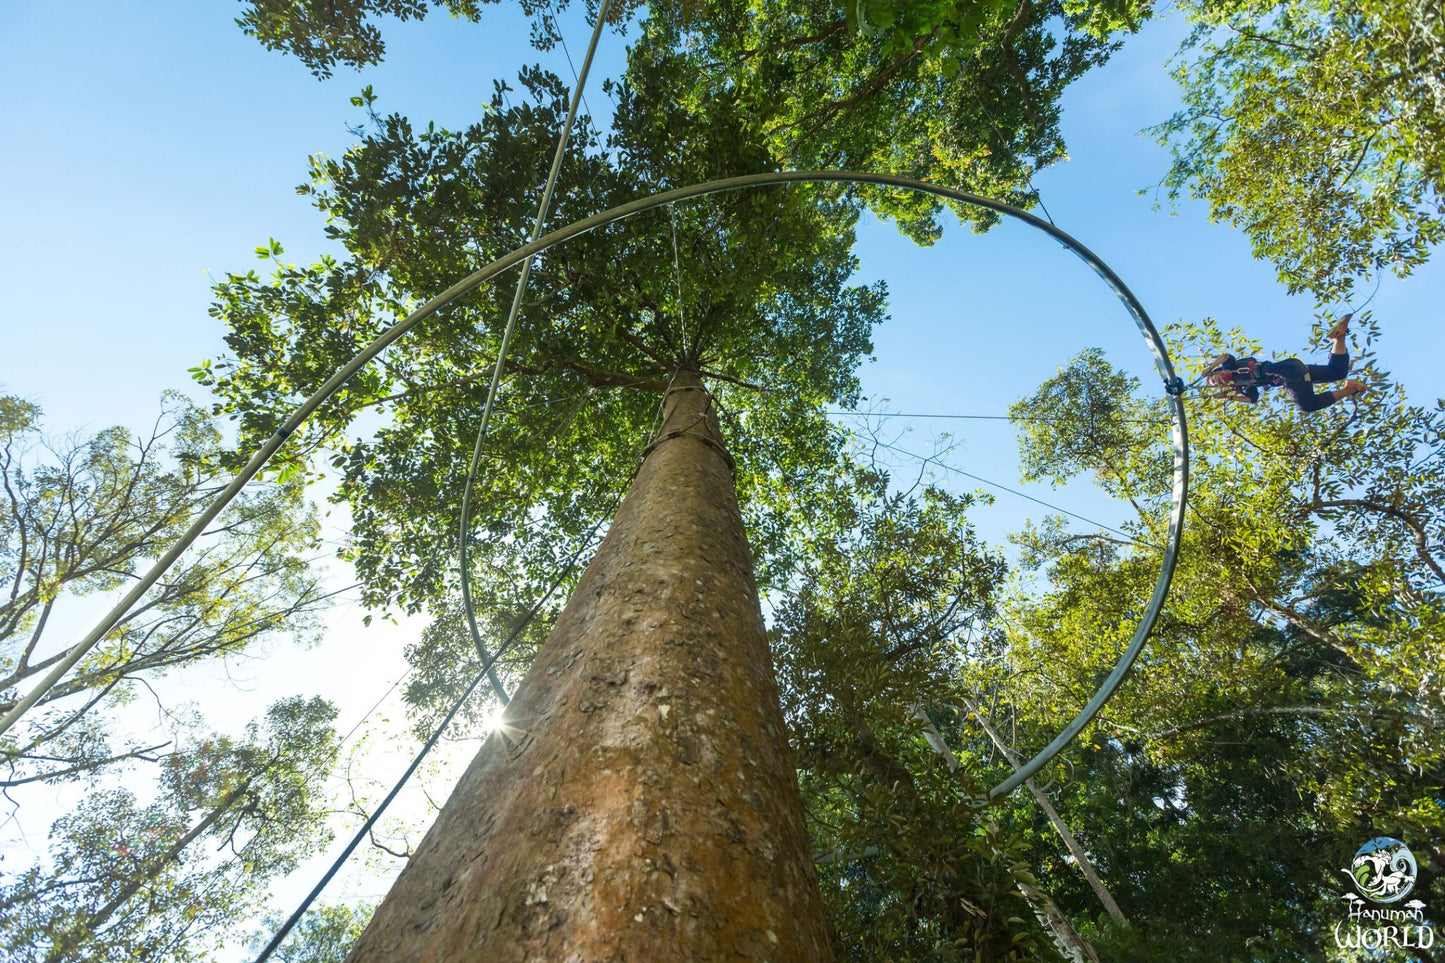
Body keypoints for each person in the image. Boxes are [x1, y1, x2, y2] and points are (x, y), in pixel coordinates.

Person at [1203, 314, 1366, 413]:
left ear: (1217, 371)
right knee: (1337, 372)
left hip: (1287, 372)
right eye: (1216, 384)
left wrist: (1208, 368)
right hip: (1296, 370)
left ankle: (1349, 389)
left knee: (1306, 405)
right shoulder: (1244, 385)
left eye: (1215, 379)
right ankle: (1340, 336)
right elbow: (1252, 400)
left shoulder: (1231, 367)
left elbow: (1225, 356)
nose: (1218, 381)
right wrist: (1228, 396)